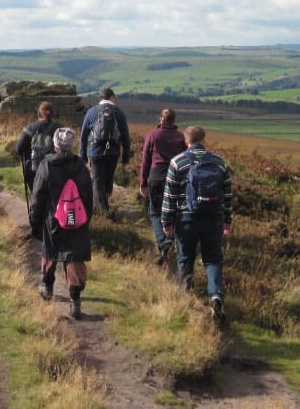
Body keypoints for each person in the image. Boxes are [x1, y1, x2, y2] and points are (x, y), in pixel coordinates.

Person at [161, 126, 233, 323]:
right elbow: (227, 195)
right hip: (213, 218)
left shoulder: (177, 162)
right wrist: (227, 220)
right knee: (213, 259)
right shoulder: (219, 163)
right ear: (204, 140)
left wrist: (167, 222)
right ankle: (216, 295)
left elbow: (170, 195)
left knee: (185, 257)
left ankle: (186, 296)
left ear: (186, 142)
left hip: (186, 218)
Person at [29, 127, 94, 319]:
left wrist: (35, 221)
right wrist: (84, 219)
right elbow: (89, 198)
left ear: (55, 145)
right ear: (71, 145)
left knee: (50, 252)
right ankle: (75, 301)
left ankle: (47, 286)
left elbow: (38, 196)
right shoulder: (81, 166)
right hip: (77, 220)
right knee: (74, 258)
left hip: (53, 219)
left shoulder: (46, 165)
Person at [140, 108, 187, 266]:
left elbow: (146, 160)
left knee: (154, 212)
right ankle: (168, 245)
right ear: (174, 120)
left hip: (156, 176)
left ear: (161, 119)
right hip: (176, 177)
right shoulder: (181, 137)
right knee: (172, 212)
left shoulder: (153, 134)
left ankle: (163, 241)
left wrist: (143, 182)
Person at [78, 88, 130, 216]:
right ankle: (105, 208)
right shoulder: (119, 113)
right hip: (113, 152)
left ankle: (103, 210)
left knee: (97, 180)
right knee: (108, 178)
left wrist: (82, 156)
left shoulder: (91, 112)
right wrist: (125, 157)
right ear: (112, 98)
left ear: (100, 98)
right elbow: (125, 137)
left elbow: (83, 135)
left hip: (95, 152)